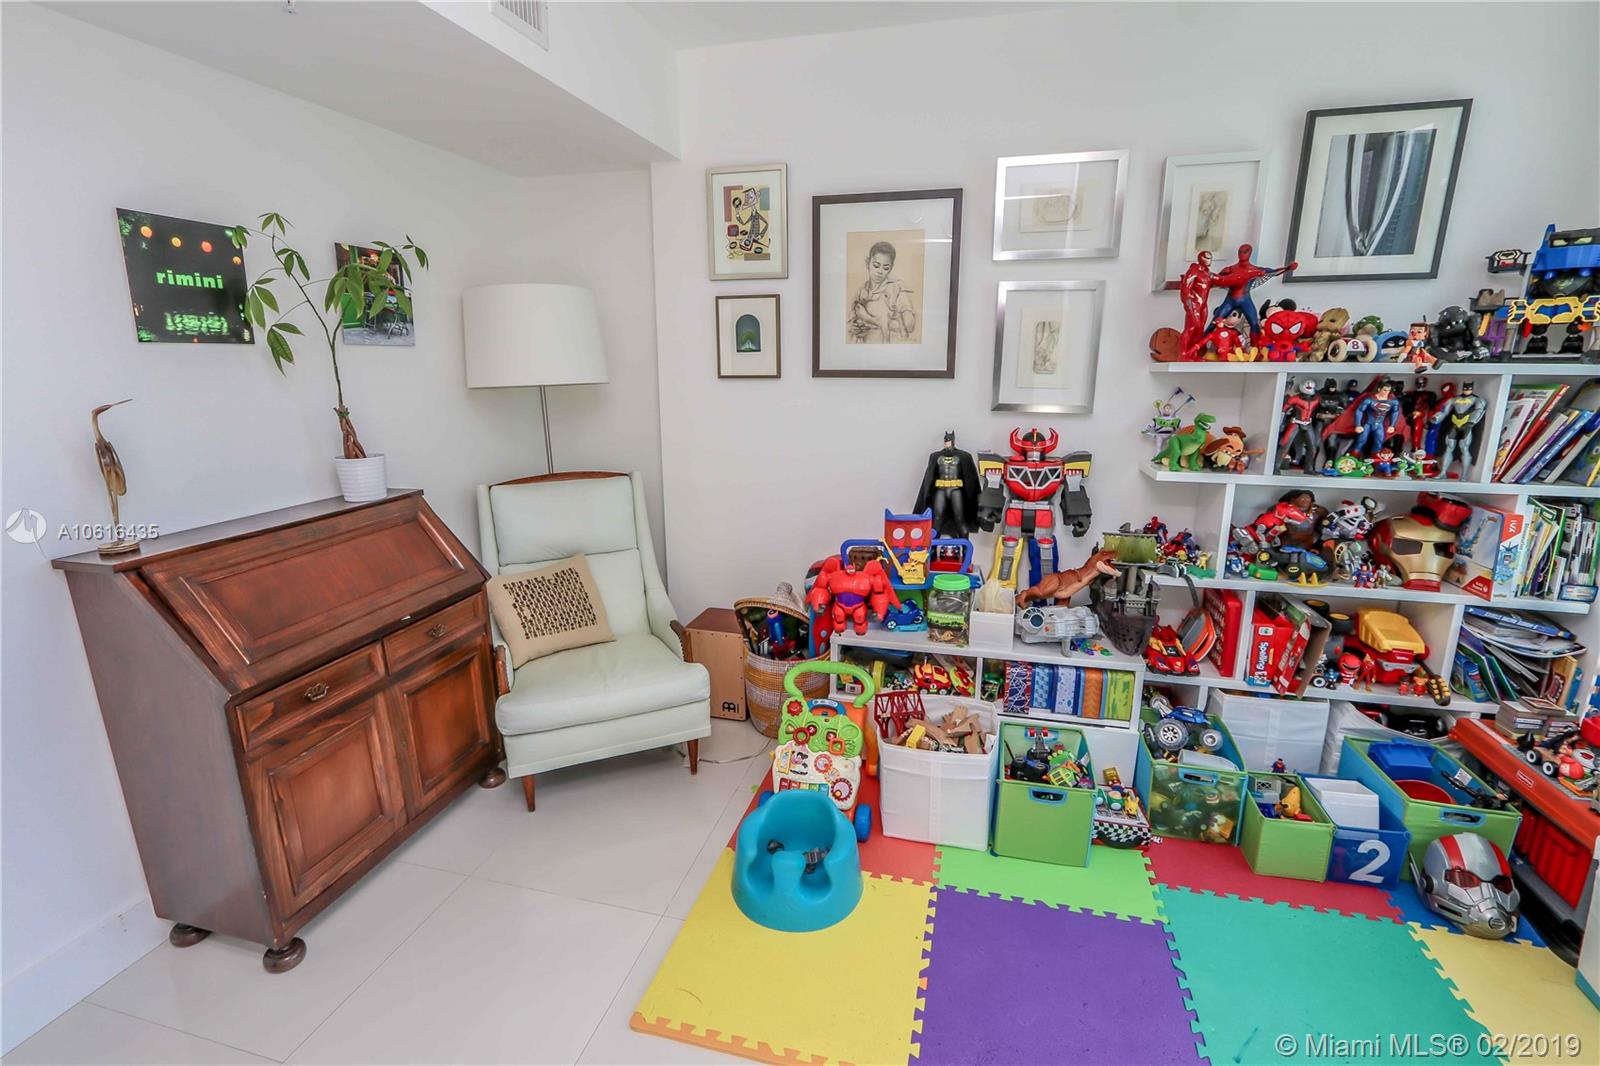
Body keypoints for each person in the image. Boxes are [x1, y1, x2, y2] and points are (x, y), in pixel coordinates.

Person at [849, 241, 916, 342]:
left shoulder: (897, 288)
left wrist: (868, 320)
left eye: (885, 268)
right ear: (867, 263)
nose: (880, 271)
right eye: (876, 266)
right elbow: (851, 323)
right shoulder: (860, 291)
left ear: (891, 268)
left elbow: (909, 326)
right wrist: (855, 328)